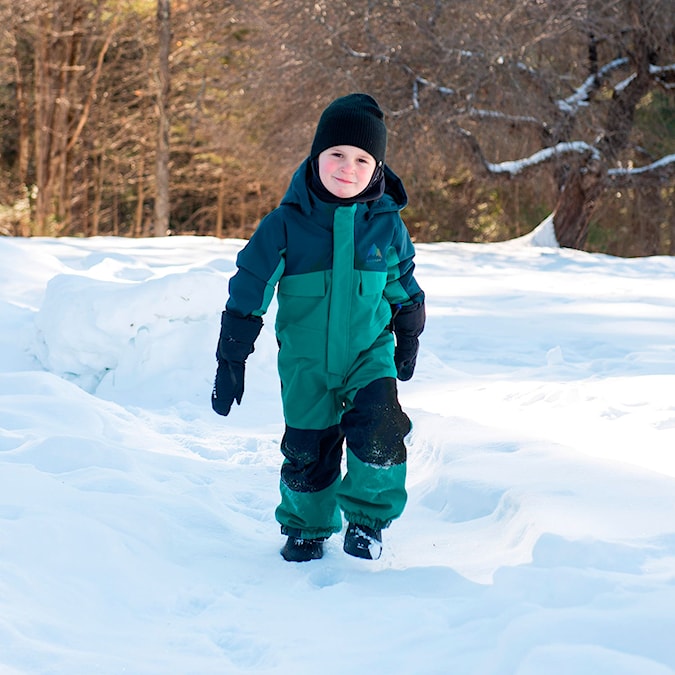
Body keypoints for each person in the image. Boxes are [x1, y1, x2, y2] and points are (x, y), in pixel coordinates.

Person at [211, 93, 425, 562]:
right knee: (309, 447)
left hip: (369, 354)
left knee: (381, 431)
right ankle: (307, 528)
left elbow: (401, 280)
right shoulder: (286, 225)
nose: (348, 167)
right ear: (317, 156)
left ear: (378, 168)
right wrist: (232, 354)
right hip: (306, 363)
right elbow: (250, 286)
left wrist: (409, 328)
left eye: (362, 158)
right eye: (337, 154)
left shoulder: (386, 227)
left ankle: (368, 522)